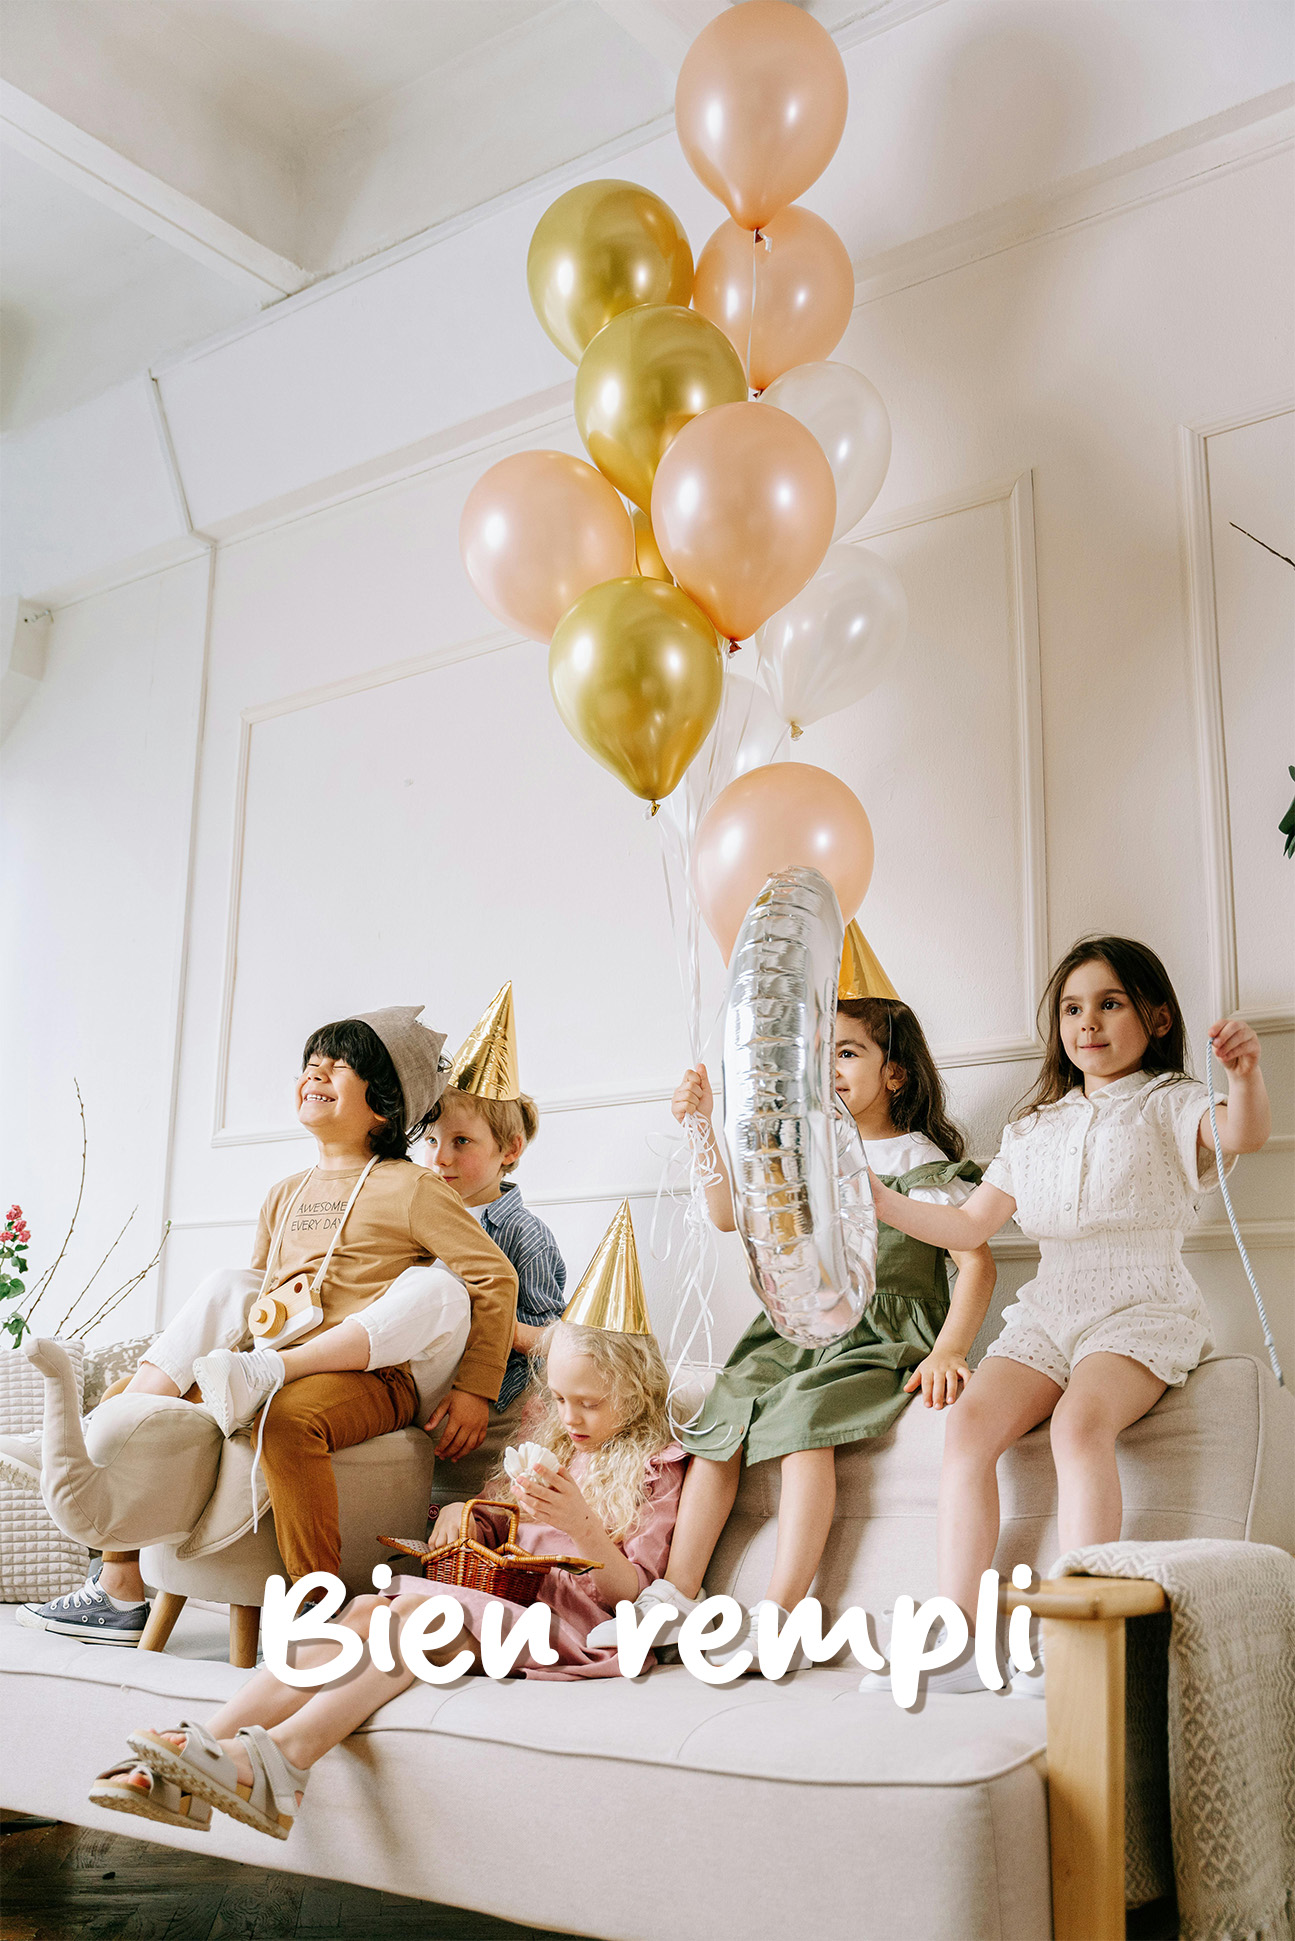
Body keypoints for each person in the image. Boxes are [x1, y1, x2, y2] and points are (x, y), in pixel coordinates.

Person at [88, 1263, 683, 1839]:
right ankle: (198, 1749)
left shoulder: (658, 1467)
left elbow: (634, 1598)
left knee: (417, 1613)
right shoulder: (554, 1440)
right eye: (559, 1398)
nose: (570, 1416)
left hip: (569, 1625)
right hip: (501, 1600)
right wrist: (467, 1513)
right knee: (369, 1610)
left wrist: (583, 1526)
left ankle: (285, 1761)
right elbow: (503, 1526)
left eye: (589, 1403)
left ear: (635, 1391)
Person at [18, 1006, 518, 1644]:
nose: (317, 1072)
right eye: (311, 1062)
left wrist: (475, 1389)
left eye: (341, 1065)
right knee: (134, 1402)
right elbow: (255, 1299)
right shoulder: (285, 1193)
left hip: (370, 1375)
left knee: (288, 1420)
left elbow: (493, 1278)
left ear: (385, 1106)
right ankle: (118, 1587)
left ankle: (317, 1611)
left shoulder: (412, 1187)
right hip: (267, 1360)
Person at [865, 935, 1272, 1693]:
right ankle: (960, 1635)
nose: (1087, 1022)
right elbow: (968, 1225)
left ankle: (1076, 1635)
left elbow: (1241, 1134)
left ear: (1155, 1018)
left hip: (1140, 1304)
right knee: (968, 1427)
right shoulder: (1034, 1126)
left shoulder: (1170, 1101)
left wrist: (1244, 1075)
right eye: (1072, 1009)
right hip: (1049, 1311)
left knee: (1079, 1426)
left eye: (1109, 1004)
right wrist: (880, 1199)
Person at [591, 931, 996, 1667]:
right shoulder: (802, 1156)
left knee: (803, 1416)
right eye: (817, 1054)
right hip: (801, 1322)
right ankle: (676, 1593)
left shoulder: (916, 1159)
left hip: (880, 1329)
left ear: (895, 1072)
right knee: (723, 1408)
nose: (827, 1068)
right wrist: (701, 1124)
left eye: (847, 1052)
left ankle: (781, 1615)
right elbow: (726, 1214)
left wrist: (950, 1349)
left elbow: (975, 1261)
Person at [421, 981, 567, 1487]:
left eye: (461, 1141)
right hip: (421, 1400)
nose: (440, 1158)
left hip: (492, 1409)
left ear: (510, 1149)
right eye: (432, 1140)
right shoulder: (419, 1223)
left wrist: (476, 1325)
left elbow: (550, 1343)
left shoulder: (526, 1236)